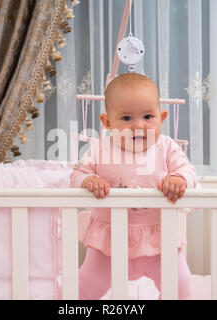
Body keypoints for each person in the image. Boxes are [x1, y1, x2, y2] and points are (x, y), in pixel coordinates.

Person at [70, 73, 196, 300]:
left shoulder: (167, 147)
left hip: (159, 241)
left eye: (148, 116)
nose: (139, 125)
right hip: (108, 244)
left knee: (181, 286)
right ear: (107, 123)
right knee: (83, 290)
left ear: (162, 117)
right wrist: (89, 180)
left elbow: (188, 171)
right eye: (126, 118)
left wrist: (179, 179)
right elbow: (77, 173)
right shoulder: (100, 150)